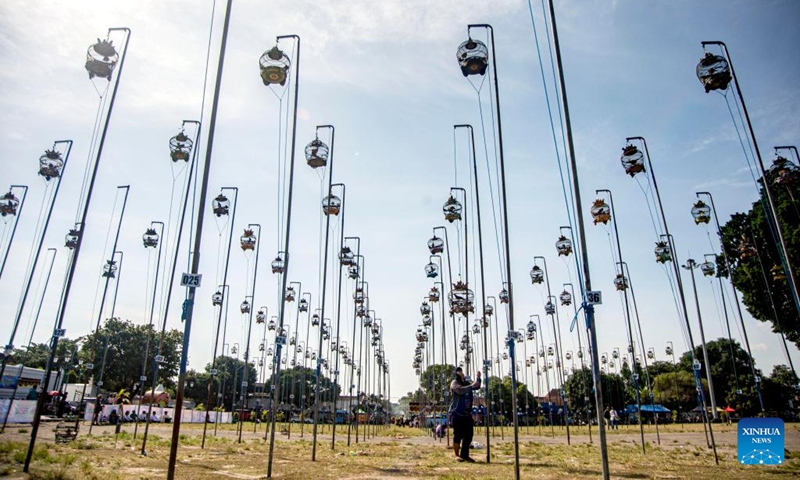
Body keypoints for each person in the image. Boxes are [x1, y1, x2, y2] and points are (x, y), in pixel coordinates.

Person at [449, 367, 481, 462]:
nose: (460, 373)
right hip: (457, 413)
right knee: (457, 435)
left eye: (461, 371)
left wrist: (478, 378)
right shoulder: (454, 383)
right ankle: (456, 455)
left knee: (469, 435)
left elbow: (477, 386)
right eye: (458, 371)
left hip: (467, 414)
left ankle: (465, 455)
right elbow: (459, 390)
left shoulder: (467, 383)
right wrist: (471, 386)